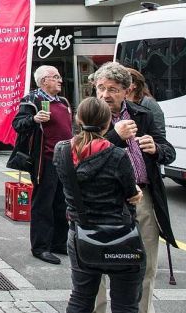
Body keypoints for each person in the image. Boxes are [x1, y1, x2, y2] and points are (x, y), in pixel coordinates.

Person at [91, 62, 176, 313]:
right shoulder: (89, 114)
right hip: (105, 201)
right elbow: (84, 157)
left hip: (143, 198)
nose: (105, 94)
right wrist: (115, 136)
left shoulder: (143, 114)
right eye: (101, 88)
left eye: (113, 89)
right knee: (97, 263)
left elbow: (168, 151)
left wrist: (157, 149)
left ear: (127, 91)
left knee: (146, 262)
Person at [53, 97, 145, 313]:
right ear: (108, 123)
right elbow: (130, 193)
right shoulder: (118, 155)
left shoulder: (62, 151)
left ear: (78, 120)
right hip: (121, 236)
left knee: (80, 298)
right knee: (125, 305)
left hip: (80, 233)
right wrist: (137, 192)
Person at [11, 65, 72, 265]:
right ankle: (40, 247)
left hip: (64, 159)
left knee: (62, 202)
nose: (60, 80)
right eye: (56, 77)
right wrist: (34, 119)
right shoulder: (32, 100)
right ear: (44, 80)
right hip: (44, 161)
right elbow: (18, 124)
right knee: (43, 204)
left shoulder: (62, 101)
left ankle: (58, 243)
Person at [125, 68, 166, 137]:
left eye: (125, 82)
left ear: (135, 85)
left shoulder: (148, 102)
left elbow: (160, 134)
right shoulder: (120, 101)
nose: (121, 85)